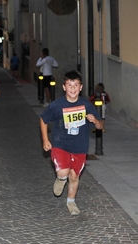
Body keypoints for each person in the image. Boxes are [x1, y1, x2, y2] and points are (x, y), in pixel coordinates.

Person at [40, 70, 104, 216]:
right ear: (64, 87)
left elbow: (100, 126)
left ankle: (71, 202)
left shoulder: (86, 105)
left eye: (76, 85)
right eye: (69, 85)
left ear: (81, 87)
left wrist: (95, 121)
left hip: (80, 147)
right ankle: (61, 178)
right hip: (60, 144)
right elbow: (43, 119)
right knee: (64, 172)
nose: (73, 88)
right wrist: (45, 139)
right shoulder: (57, 105)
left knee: (74, 176)